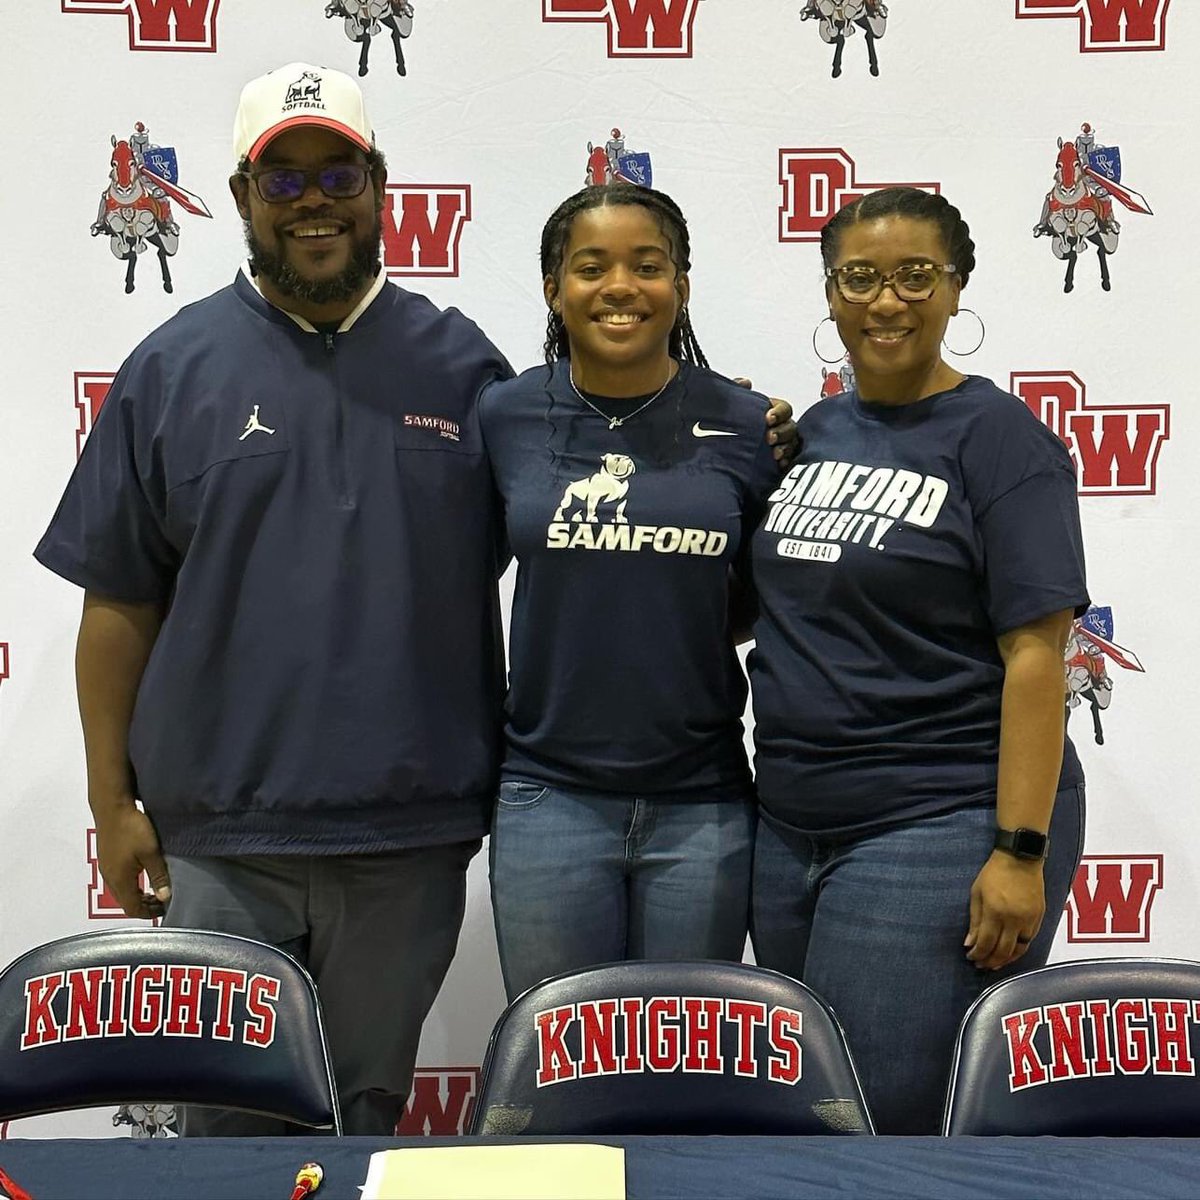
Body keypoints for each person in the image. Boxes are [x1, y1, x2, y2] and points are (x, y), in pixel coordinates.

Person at [34, 62, 512, 1136]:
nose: (313, 203)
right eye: (283, 180)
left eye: (335, 173)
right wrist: (114, 806)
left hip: (408, 832)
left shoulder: (463, 367)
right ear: (244, 197)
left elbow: (578, 525)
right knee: (230, 1132)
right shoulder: (169, 368)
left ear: (378, 185)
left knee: (365, 1126)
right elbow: (117, 608)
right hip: (222, 840)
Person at [748, 187, 1089, 1134]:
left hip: (934, 821)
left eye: (914, 277)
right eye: (860, 277)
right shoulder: (809, 437)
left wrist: (1020, 852)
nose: (885, 301)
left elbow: (1036, 656)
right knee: (799, 1113)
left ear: (957, 287)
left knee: (871, 1125)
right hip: (788, 826)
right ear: (829, 291)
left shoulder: (1002, 441)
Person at [480, 183, 782, 1001]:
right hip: (550, 795)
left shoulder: (751, 424)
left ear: (681, 285)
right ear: (554, 288)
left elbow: (767, 599)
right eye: (591, 267)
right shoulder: (504, 416)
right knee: (559, 1059)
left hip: (704, 802)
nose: (621, 287)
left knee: (685, 1066)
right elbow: (461, 582)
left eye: (648, 266)